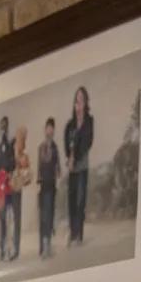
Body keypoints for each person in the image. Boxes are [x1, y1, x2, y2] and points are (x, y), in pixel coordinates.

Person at [64, 85, 94, 246]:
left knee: (80, 201)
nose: (79, 102)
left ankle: (79, 235)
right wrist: (68, 158)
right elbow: (65, 142)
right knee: (71, 200)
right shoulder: (70, 124)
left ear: (85, 101)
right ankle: (73, 233)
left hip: (82, 167)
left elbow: (88, 142)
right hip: (71, 168)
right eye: (77, 99)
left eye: (81, 99)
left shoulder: (89, 121)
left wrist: (75, 158)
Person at [36, 116, 61, 257]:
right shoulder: (41, 147)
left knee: (49, 215)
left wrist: (58, 172)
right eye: (48, 128)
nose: (50, 131)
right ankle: (43, 246)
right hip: (43, 186)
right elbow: (41, 164)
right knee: (43, 216)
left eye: (52, 128)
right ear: (45, 130)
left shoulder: (55, 147)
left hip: (52, 186)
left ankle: (48, 245)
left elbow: (58, 168)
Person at [7, 125, 31, 261]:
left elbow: (28, 177)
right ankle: (8, 248)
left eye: (23, 138)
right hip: (7, 189)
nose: (20, 141)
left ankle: (15, 249)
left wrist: (20, 172)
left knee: (16, 220)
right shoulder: (11, 152)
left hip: (16, 190)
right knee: (8, 219)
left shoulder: (24, 157)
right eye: (19, 137)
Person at [0, 115, 15, 260]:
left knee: (8, 219)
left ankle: (8, 249)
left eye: (5, 126)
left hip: (8, 186)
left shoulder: (10, 145)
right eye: (1, 127)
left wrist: (7, 174)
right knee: (0, 220)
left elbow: (12, 164)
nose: (3, 129)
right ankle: (0, 250)